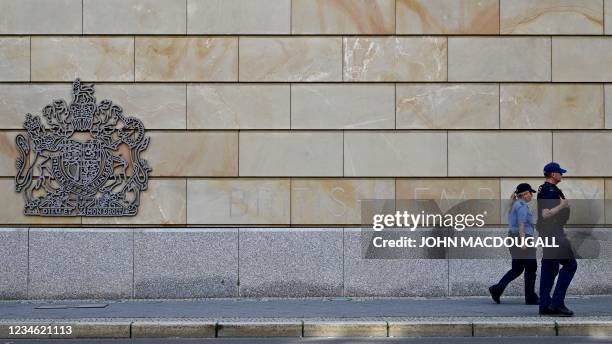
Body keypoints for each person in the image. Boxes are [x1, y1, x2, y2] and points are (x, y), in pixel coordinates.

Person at [537, 162, 577, 317]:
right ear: (553, 174)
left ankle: (545, 306)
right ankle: (557, 303)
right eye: (560, 172)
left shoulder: (546, 189)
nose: (562, 174)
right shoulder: (549, 190)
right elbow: (546, 214)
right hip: (553, 233)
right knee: (570, 265)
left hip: (550, 233)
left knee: (550, 268)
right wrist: (562, 205)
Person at [489, 183, 539, 305]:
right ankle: (530, 297)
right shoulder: (521, 206)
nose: (532, 195)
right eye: (530, 193)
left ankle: (497, 289)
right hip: (522, 238)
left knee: (517, 268)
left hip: (513, 238)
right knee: (531, 267)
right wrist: (523, 242)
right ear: (524, 194)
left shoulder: (514, 204)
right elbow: (521, 224)